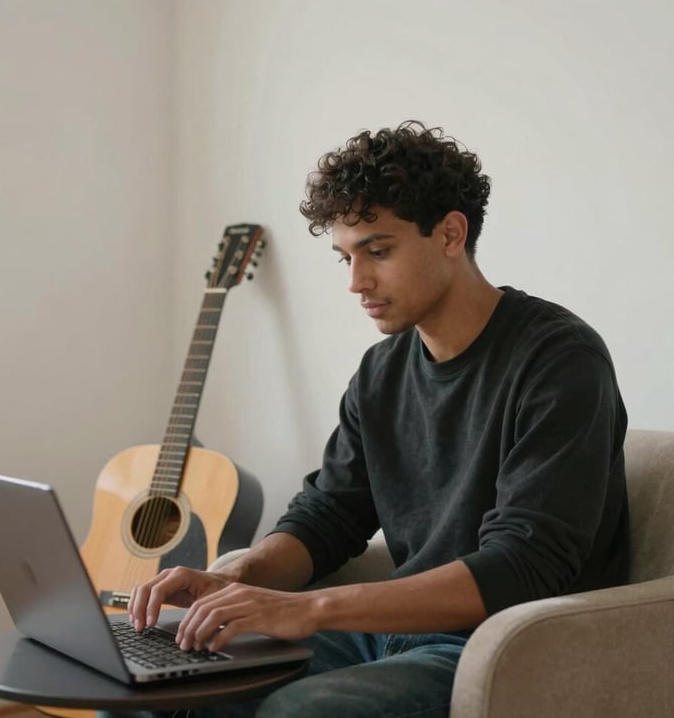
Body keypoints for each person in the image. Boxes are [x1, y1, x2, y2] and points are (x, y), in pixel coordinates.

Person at [104, 120, 629, 718]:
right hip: (384, 634)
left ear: (451, 233)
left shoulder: (558, 360)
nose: (356, 282)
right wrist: (238, 577)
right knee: (150, 686)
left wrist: (311, 608)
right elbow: (329, 514)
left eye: (378, 251)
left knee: (298, 713)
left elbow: (523, 565)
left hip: (497, 646)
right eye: (345, 257)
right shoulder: (382, 372)